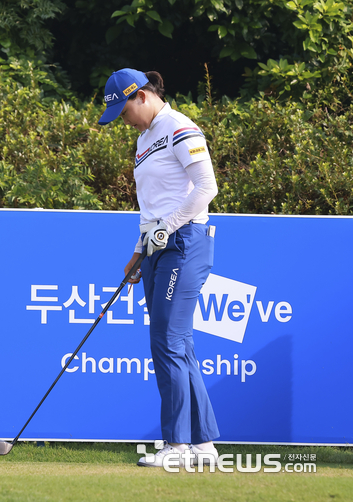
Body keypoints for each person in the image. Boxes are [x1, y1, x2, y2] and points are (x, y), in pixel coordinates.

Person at [98, 68, 220, 468]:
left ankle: (176, 447)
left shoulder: (180, 128)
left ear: (142, 96)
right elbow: (153, 206)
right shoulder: (143, 140)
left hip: (184, 244)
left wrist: (166, 229)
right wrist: (138, 252)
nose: (124, 120)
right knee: (179, 344)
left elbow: (207, 188)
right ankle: (203, 446)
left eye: (124, 111)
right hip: (157, 248)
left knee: (167, 341)